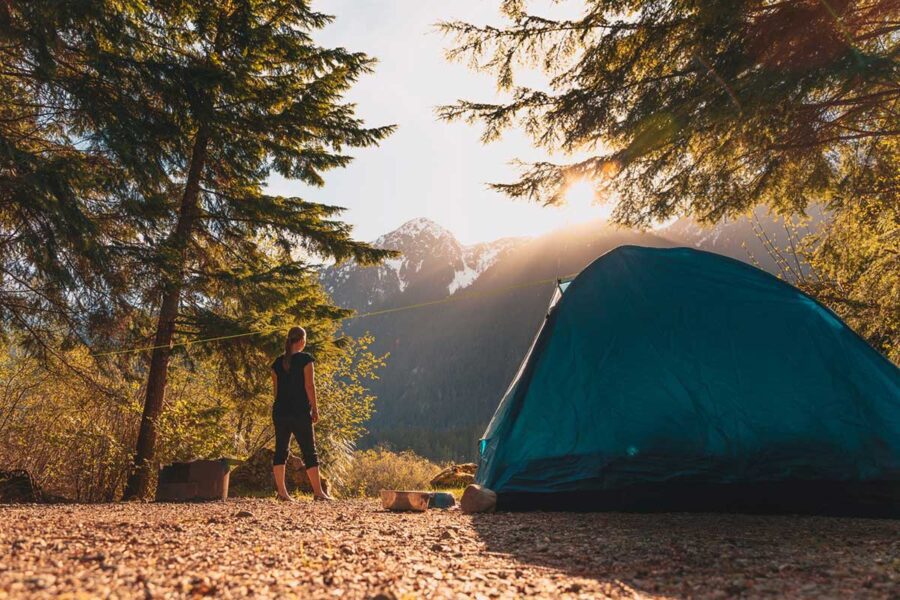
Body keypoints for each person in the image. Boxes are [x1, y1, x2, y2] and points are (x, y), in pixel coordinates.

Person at [271, 326, 331, 501]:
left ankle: (282, 493)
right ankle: (318, 493)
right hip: (299, 412)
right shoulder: (306, 359)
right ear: (302, 341)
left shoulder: (277, 363)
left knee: (280, 451)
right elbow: (309, 386)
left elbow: (276, 392)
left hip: (280, 412)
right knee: (309, 452)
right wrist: (315, 408)